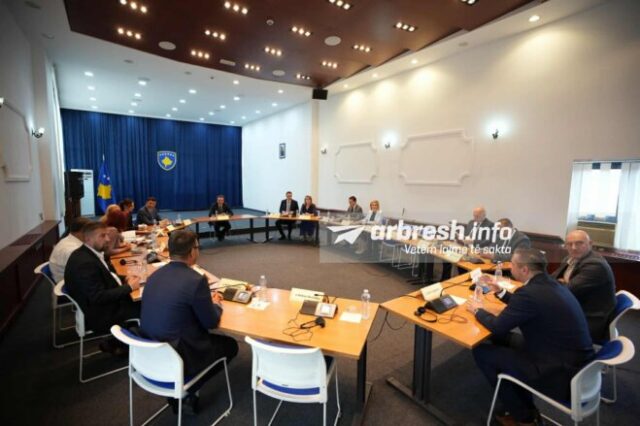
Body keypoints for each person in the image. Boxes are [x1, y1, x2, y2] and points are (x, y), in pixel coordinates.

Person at [467, 248, 594, 425]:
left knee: (481, 352)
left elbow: (497, 327)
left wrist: (478, 311)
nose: (510, 267)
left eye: (512, 264)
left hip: (558, 371)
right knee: (503, 340)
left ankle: (525, 417)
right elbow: (526, 305)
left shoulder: (528, 293)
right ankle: (519, 398)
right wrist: (500, 291)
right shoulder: (550, 284)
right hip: (571, 359)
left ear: (524, 269)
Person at [140, 230, 238, 414]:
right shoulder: (196, 280)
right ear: (192, 251)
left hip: (147, 352)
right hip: (178, 354)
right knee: (231, 346)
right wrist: (216, 304)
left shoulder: (154, 275)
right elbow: (211, 322)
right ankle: (185, 392)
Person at [64, 221, 141, 354]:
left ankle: (120, 342)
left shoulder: (89, 253)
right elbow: (98, 297)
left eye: (107, 235)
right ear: (88, 239)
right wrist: (129, 287)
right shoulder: (85, 263)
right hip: (103, 314)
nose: (107, 239)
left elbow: (107, 276)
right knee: (148, 305)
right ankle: (133, 344)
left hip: (105, 304)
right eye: (102, 236)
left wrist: (125, 278)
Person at [551, 230, 616, 342]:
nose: (574, 247)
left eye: (579, 243)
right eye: (569, 244)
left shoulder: (595, 265)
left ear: (590, 244)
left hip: (589, 317)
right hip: (576, 305)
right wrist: (561, 282)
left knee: (539, 317)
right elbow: (553, 278)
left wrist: (562, 283)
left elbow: (566, 291)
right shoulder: (570, 258)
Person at [49, 216, 91, 282]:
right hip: (69, 283)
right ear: (82, 231)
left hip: (72, 277)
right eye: (90, 231)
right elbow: (85, 272)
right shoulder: (72, 250)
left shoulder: (68, 240)